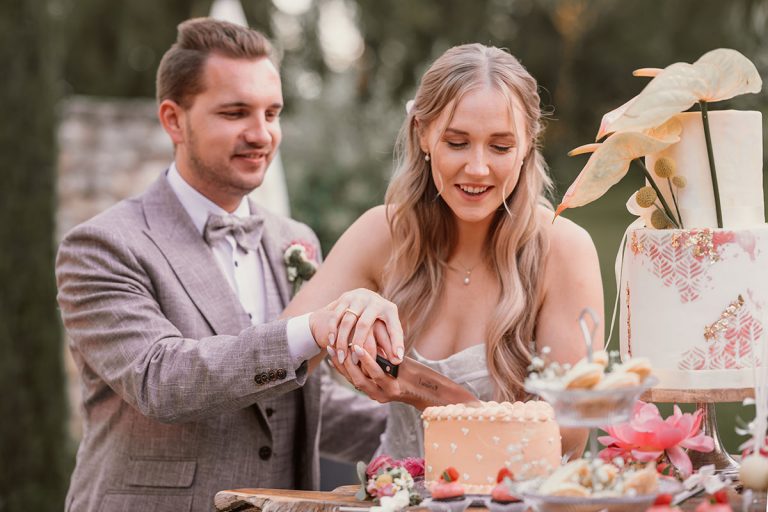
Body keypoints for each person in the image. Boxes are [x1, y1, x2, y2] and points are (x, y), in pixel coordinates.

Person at [56, 18, 402, 512]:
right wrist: (310, 330)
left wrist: (428, 424)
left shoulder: (294, 239)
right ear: (174, 120)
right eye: (236, 112)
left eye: (273, 113)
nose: (261, 134)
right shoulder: (103, 246)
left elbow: (301, 402)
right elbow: (163, 381)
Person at [284, 43, 604, 458]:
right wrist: (341, 316)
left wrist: (423, 389)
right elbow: (280, 361)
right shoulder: (381, 233)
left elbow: (567, 436)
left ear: (528, 145)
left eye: (501, 147)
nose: (477, 168)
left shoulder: (563, 247)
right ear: (423, 134)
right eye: (457, 143)